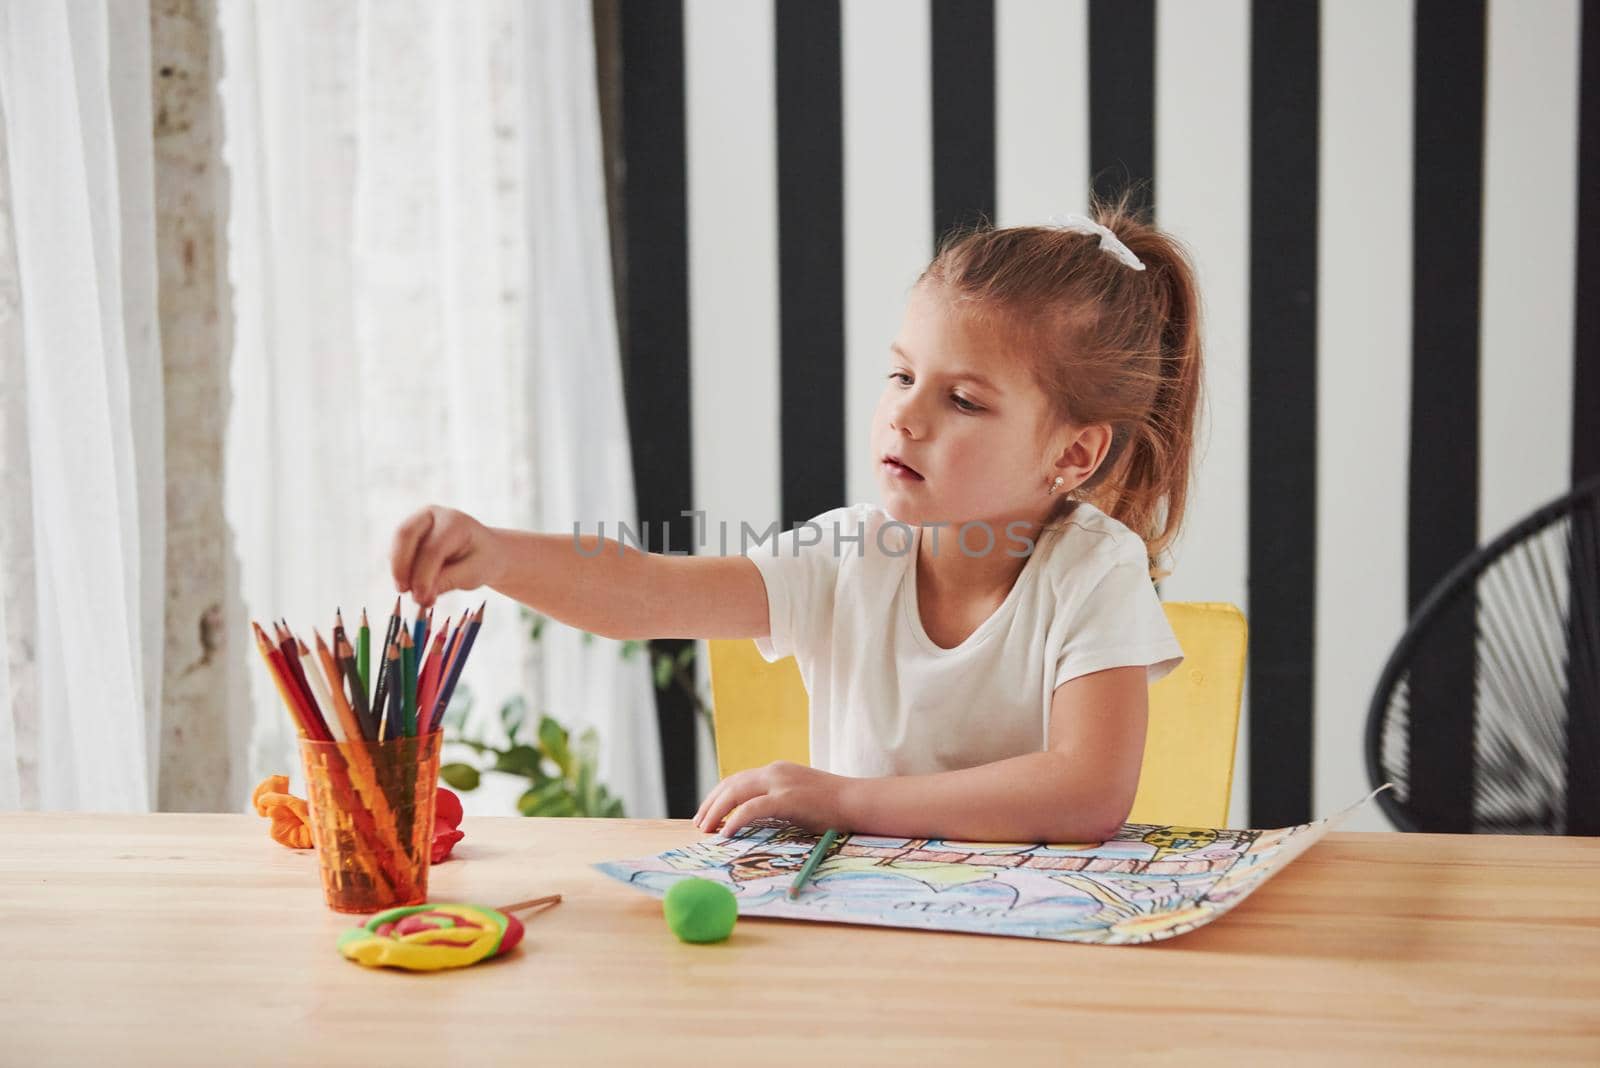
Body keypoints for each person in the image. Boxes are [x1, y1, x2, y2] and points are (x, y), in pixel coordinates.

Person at [390, 191, 1203, 844]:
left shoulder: (1096, 570)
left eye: (961, 399)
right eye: (899, 374)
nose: (904, 417)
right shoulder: (848, 554)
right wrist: (494, 554)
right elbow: (644, 591)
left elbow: (1086, 792)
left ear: (1072, 456)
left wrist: (847, 800)